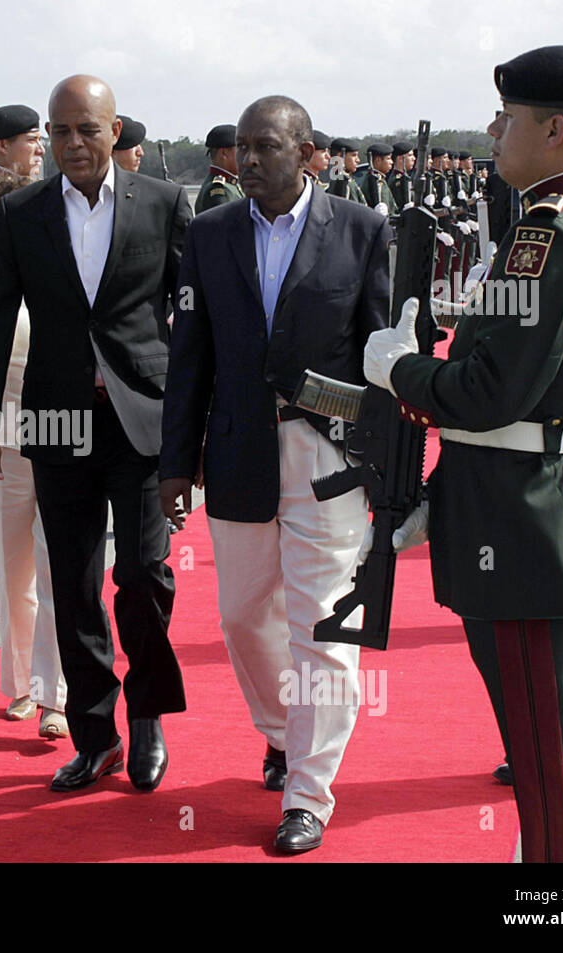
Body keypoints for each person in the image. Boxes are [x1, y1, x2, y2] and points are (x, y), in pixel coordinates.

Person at [366, 45, 563, 862]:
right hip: (543, 504)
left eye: (507, 117)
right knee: (554, 753)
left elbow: (489, 395)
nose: (491, 131)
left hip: (518, 526)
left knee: (549, 766)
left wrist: (397, 367)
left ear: (553, 130)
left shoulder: (544, 239)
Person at [159, 95, 389, 854]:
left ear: (307, 153)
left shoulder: (361, 231)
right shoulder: (211, 234)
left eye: (266, 147)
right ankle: (282, 730)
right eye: (242, 149)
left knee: (324, 623)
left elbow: (382, 355)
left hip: (327, 457)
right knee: (240, 614)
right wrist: (173, 463)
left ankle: (308, 793)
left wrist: (382, 460)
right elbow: (190, 354)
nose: (248, 160)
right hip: (235, 452)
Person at [0, 75, 191, 794]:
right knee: (76, 582)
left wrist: (197, 418)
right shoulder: (22, 213)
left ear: (114, 129)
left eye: (86, 130)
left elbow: (193, 316)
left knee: (144, 577)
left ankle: (148, 719)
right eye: (59, 132)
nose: (71, 144)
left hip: (142, 422)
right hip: (57, 424)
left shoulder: (161, 203)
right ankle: (96, 736)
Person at [0, 160, 69, 738]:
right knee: (11, 570)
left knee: (58, 565)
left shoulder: (63, 274)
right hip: (1, 436)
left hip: (58, 429)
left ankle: (57, 693)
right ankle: (21, 684)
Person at [0, 105, 46, 270]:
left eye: (40, 140)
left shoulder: (25, 189)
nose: (41, 150)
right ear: (3, 146)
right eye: (31, 140)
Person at [195, 123, 242, 213]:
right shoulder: (219, 190)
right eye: (240, 149)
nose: (245, 155)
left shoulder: (231, 185)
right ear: (224, 153)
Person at [328, 138, 366, 203]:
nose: (358, 160)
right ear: (340, 156)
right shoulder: (343, 181)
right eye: (354, 155)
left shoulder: (339, 179)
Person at [362, 143, 397, 214]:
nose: (392, 162)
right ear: (378, 160)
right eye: (388, 158)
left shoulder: (380, 180)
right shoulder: (376, 182)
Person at [387, 140, 416, 208]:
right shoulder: (397, 180)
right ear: (400, 158)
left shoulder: (405, 177)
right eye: (410, 155)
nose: (414, 158)